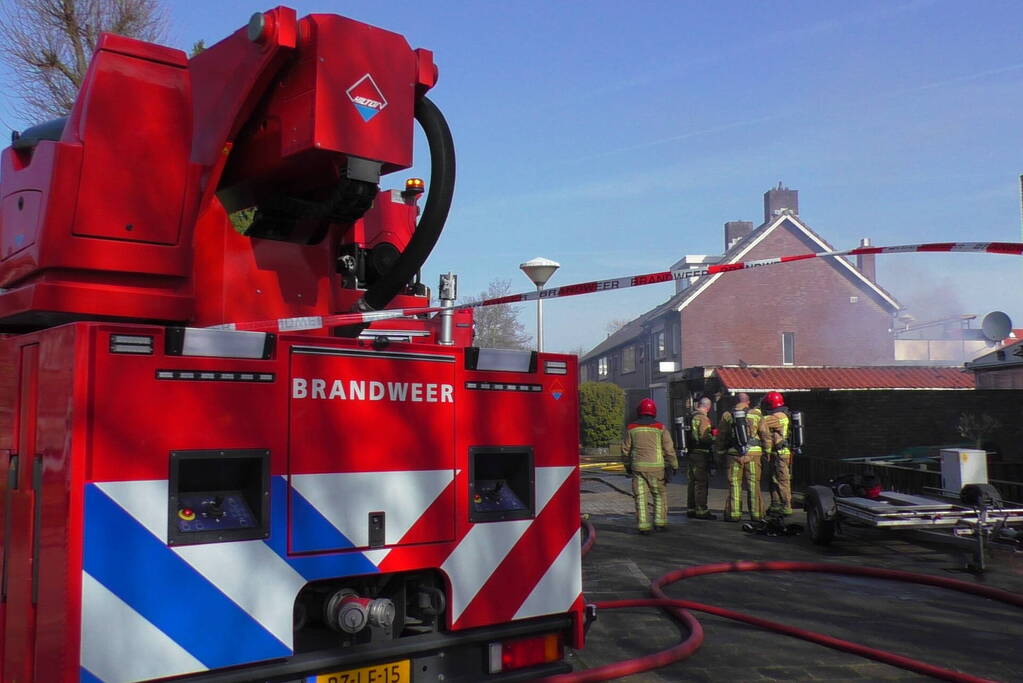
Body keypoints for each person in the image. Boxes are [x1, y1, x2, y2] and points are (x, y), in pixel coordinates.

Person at [622, 398, 678, 534]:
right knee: (659, 495)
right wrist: (674, 465)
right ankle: (660, 523)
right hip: (657, 468)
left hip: (638, 468)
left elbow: (625, 450)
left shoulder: (631, 428)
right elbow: (669, 449)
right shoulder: (660, 428)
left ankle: (644, 526)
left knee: (640, 497)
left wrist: (627, 465)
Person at [715, 392, 764, 522]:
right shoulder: (756, 414)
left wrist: (719, 455)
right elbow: (765, 434)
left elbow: (721, 437)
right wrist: (768, 452)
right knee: (753, 484)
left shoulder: (727, 415)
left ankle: (734, 514)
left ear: (735, 401)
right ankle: (756, 514)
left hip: (734, 455)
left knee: (734, 485)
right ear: (748, 402)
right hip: (753, 454)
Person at [759, 391, 793, 516]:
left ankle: (786, 506)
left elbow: (760, 422)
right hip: (775, 453)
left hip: (781, 453)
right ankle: (775, 504)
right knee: (773, 479)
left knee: (782, 480)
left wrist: (753, 412)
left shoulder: (778, 416)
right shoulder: (779, 414)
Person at [686, 397, 717, 520]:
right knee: (701, 482)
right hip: (701, 454)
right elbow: (704, 437)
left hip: (690, 453)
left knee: (692, 482)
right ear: (708, 407)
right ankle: (701, 510)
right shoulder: (703, 418)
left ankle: (691, 508)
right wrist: (716, 437)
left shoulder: (689, 417)